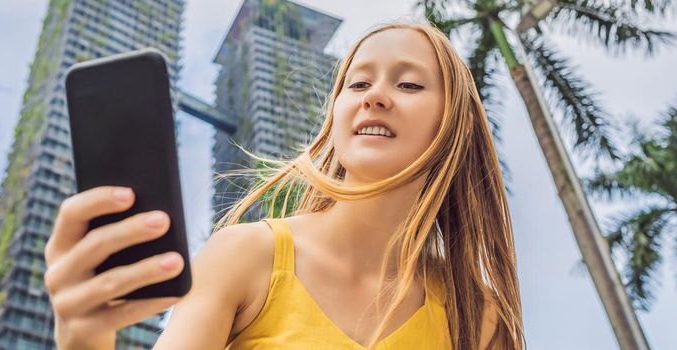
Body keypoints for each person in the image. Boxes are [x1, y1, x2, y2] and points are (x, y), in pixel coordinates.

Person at [43, 21, 525, 349]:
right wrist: (84, 340)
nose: (375, 96)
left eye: (409, 85)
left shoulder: (478, 318)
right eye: (357, 85)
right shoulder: (245, 255)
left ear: (453, 124)